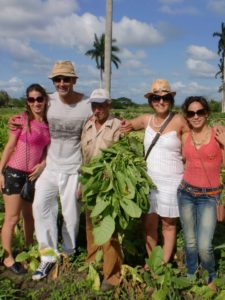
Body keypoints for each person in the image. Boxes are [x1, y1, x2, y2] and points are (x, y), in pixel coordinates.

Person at [29, 61, 92, 280]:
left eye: (66, 79)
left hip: (74, 168)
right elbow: (32, 114)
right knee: (40, 207)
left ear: (74, 80)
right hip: (51, 166)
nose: (62, 83)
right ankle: (47, 256)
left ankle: (68, 252)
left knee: (71, 215)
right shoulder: (48, 100)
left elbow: (101, 123)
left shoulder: (87, 104)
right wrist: (16, 122)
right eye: (57, 79)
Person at [121, 79, 189, 264]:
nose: (161, 102)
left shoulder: (180, 121)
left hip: (173, 180)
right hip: (150, 181)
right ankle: (152, 261)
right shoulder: (145, 120)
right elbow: (126, 126)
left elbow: (191, 146)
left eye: (165, 98)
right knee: (149, 223)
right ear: (151, 101)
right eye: (156, 98)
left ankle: (162, 264)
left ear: (171, 100)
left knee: (168, 224)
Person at [0, 84, 50, 274]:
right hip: (14, 174)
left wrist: (43, 163)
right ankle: (8, 257)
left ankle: (29, 249)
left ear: (45, 100)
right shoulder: (21, 120)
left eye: (39, 99)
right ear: (27, 102)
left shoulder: (48, 123)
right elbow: (9, 146)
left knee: (30, 217)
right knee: (12, 219)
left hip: (32, 177)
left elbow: (46, 150)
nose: (36, 103)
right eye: (31, 99)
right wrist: (0, 172)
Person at [177, 96, 225, 292]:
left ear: (207, 113)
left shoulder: (218, 134)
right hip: (186, 193)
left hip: (209, 196)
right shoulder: (185, 137)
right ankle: (190, 272)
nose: (195, 116)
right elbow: (183, 161)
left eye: (199, 112)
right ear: (186, 116)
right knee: (189, 240)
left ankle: (209, 276)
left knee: (204, 245)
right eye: (191, 113)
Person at [80, 88, 123, 292]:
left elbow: (121, 157)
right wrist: (82, 184)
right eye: (94, 105)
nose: (97, 109)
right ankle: (92, 263)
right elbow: (83, 157)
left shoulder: (117, 126)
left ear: (109, 105)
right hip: (89, 183)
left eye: (101, 105)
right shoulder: (87, 125)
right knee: (90, 226)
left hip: (108, 185)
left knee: (108, 229)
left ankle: (112, 274)